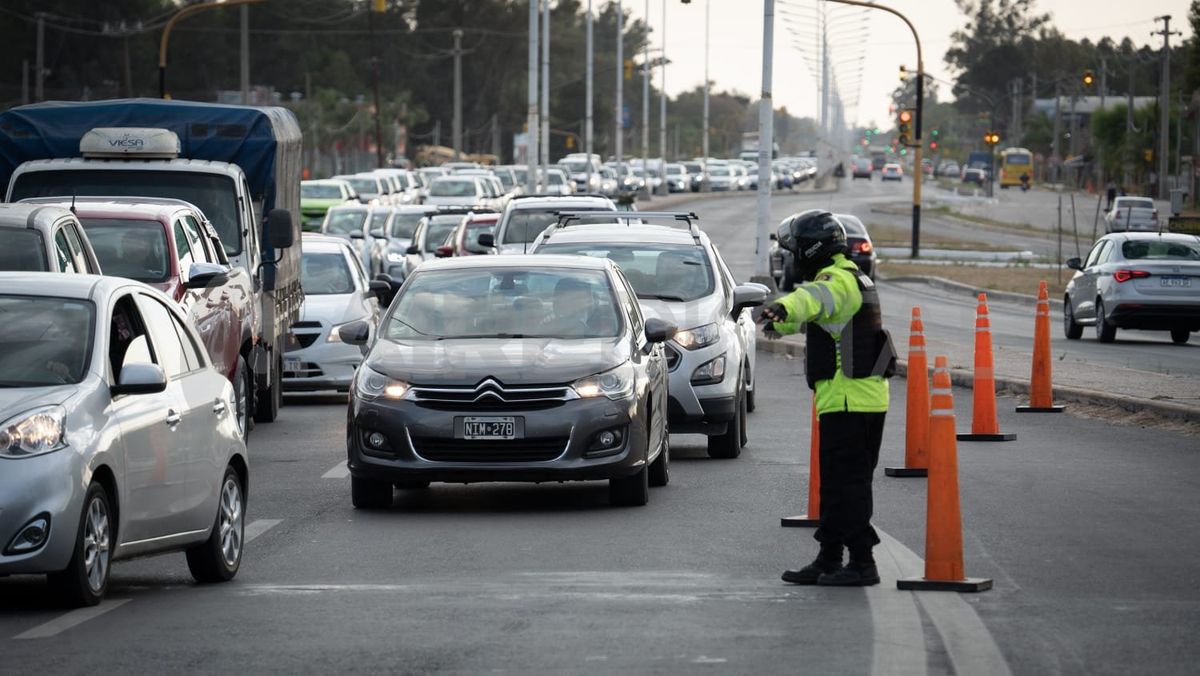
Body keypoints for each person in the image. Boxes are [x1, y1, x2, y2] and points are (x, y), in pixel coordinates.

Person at [760, 210, 896, 587]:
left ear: (811, 249)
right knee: (837, 486)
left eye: (795, 249)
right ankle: (829, 558)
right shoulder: (853, 275)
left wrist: (784, 306)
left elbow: (812, 299)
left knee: (848, 487)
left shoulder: (835, 280)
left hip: (850, 400)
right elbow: (819, 314)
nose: (791, 256)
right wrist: (778, 319)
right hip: (855, 399)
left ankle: (863, 563)